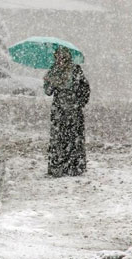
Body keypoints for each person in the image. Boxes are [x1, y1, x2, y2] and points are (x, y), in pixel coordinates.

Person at [43, 47, 90, 177]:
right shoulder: (53, 71)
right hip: (59, 110)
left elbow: (85, 88)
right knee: (59, 138)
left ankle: (74, 167)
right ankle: (58, 167)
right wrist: (48, 82)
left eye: (63, 57)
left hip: (74, 110)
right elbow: (48, 92)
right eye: (58, 57)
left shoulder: (75, 70)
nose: (60, 60)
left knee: (74, 138)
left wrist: (78, 103)